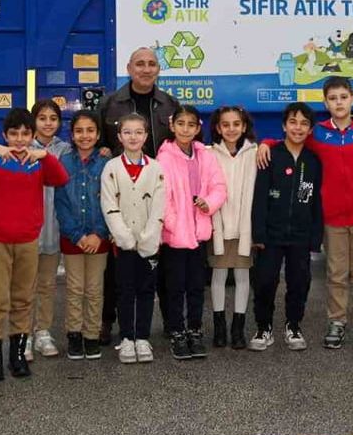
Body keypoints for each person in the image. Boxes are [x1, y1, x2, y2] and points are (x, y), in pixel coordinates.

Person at [256, 76, 353, 351]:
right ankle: (336, 322)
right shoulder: (318, 134)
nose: (338, 102)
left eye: (343, 97)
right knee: (337, 274)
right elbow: (290, 139)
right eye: (332, 98)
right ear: (325, 102)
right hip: (333, 219)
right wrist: (265, 143)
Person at [0, 108, 69, 381]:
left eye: (25, 134)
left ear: (33, 135)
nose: (20, 140)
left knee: (24, 299)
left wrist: (45, 155)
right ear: (5, 135)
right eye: (14, 134)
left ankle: (17, 355)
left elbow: (60, 178)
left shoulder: (37, 162)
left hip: (27, 239)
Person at [96, 48, 181, 344]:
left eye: (152, 64)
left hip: (158, 193)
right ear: (129, 68)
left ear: (159, 69)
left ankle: (171, 322)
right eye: (140, 64)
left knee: (162, 264)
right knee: (116, 269)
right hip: (122, 194)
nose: (146, 69)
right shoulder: (110, 104)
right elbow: (99, 146)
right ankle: (108, 321)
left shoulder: (170, 104)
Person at [249, 102, 322, 351]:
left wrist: (315, 235)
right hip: (270, 234)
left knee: (299, 281)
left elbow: (317, 201)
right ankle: (263, 326)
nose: (298, 128)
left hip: (300, 235)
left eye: (304, 123)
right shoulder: (270, 155)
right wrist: (257, 232)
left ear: (310, 129)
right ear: (284, 125)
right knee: (265, 281)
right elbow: (259, 198)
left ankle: (293, 325)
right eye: (293, 122)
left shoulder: (313, 161)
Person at [157, 105, 227, 361]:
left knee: (197, 287)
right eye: (181, 124)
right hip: (175, 236)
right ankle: (176, 331)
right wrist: (173, 224)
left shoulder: (205, 156)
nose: (185, 129)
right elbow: (162, 197)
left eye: (191, 125)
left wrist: (208, 204)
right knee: (175, 287)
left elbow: (218, 186)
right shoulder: (164, 157)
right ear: (172, 125)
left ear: (198, 128)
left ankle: (195, 330)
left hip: (199, 235)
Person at [100, 113, 165, 364]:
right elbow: (108, 204)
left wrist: (148, 238)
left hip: (149, 244)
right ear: (119, 136)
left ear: (146, 136)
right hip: (123, 243)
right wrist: (125, 237)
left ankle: (142, 337)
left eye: (138, 132)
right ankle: (127, 337)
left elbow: (159, 206)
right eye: (127, 132)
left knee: (146, 290)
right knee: (125, 290)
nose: (133, 137)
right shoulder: (111, 168)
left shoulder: (156, 168)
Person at [55, 110, 111, 360]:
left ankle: (91, 334)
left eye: (90, 131)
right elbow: (61, 203)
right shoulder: (64, 163)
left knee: (95, 288)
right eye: (79, 131)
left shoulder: (107, 163)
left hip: (99, 238)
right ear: (72, 134)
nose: (85, 136)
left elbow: (112, 201)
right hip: (72, 238)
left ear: (98, 134)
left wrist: (99, 233)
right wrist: (77, 234)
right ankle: (74, 334)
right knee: (75, 288)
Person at [207, 105, 257, 350]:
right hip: (218, 224)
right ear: (217, 128)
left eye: (236, 124)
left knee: (242, 275)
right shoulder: (209, 153)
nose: (231, 129)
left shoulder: (255, 152)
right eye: (225, 125)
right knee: (218, 275)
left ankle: (238, 327)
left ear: (244, 126)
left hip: (243, 225)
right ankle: (219, 327)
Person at [28, 99, 71, 360]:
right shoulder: (20, 148)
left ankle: (43, 331)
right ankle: (23, 335)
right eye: (42, 117)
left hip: (53, 228)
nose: (47, 123)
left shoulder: (66, 150)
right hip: (28, 229)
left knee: (47, 284)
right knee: (24, 286)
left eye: (52, 118)